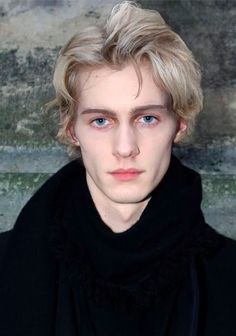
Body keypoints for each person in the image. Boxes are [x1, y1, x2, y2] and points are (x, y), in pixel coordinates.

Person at [0, 1, 236, 335]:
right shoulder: (7, 265)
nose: (125, 148)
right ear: (71, 130)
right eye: (101, 120)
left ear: (179, 125)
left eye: (147, 118)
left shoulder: (227, 277)